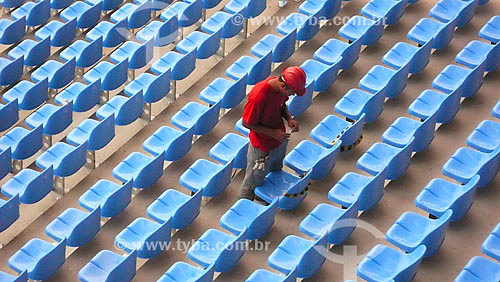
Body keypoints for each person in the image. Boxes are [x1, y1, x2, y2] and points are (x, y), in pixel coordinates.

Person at [238, 66, 307, 200]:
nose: (292, 95)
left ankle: (266, 200)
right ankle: (242, 209)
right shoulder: (258, 96)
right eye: (292, 92)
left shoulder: (279, 90)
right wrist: (272, 133)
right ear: (283, 86)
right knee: (253, 181)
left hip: (278, 140)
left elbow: (281, 105)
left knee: (275, 170)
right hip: (262, 147)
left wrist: (289, 119)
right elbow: (246, 123)